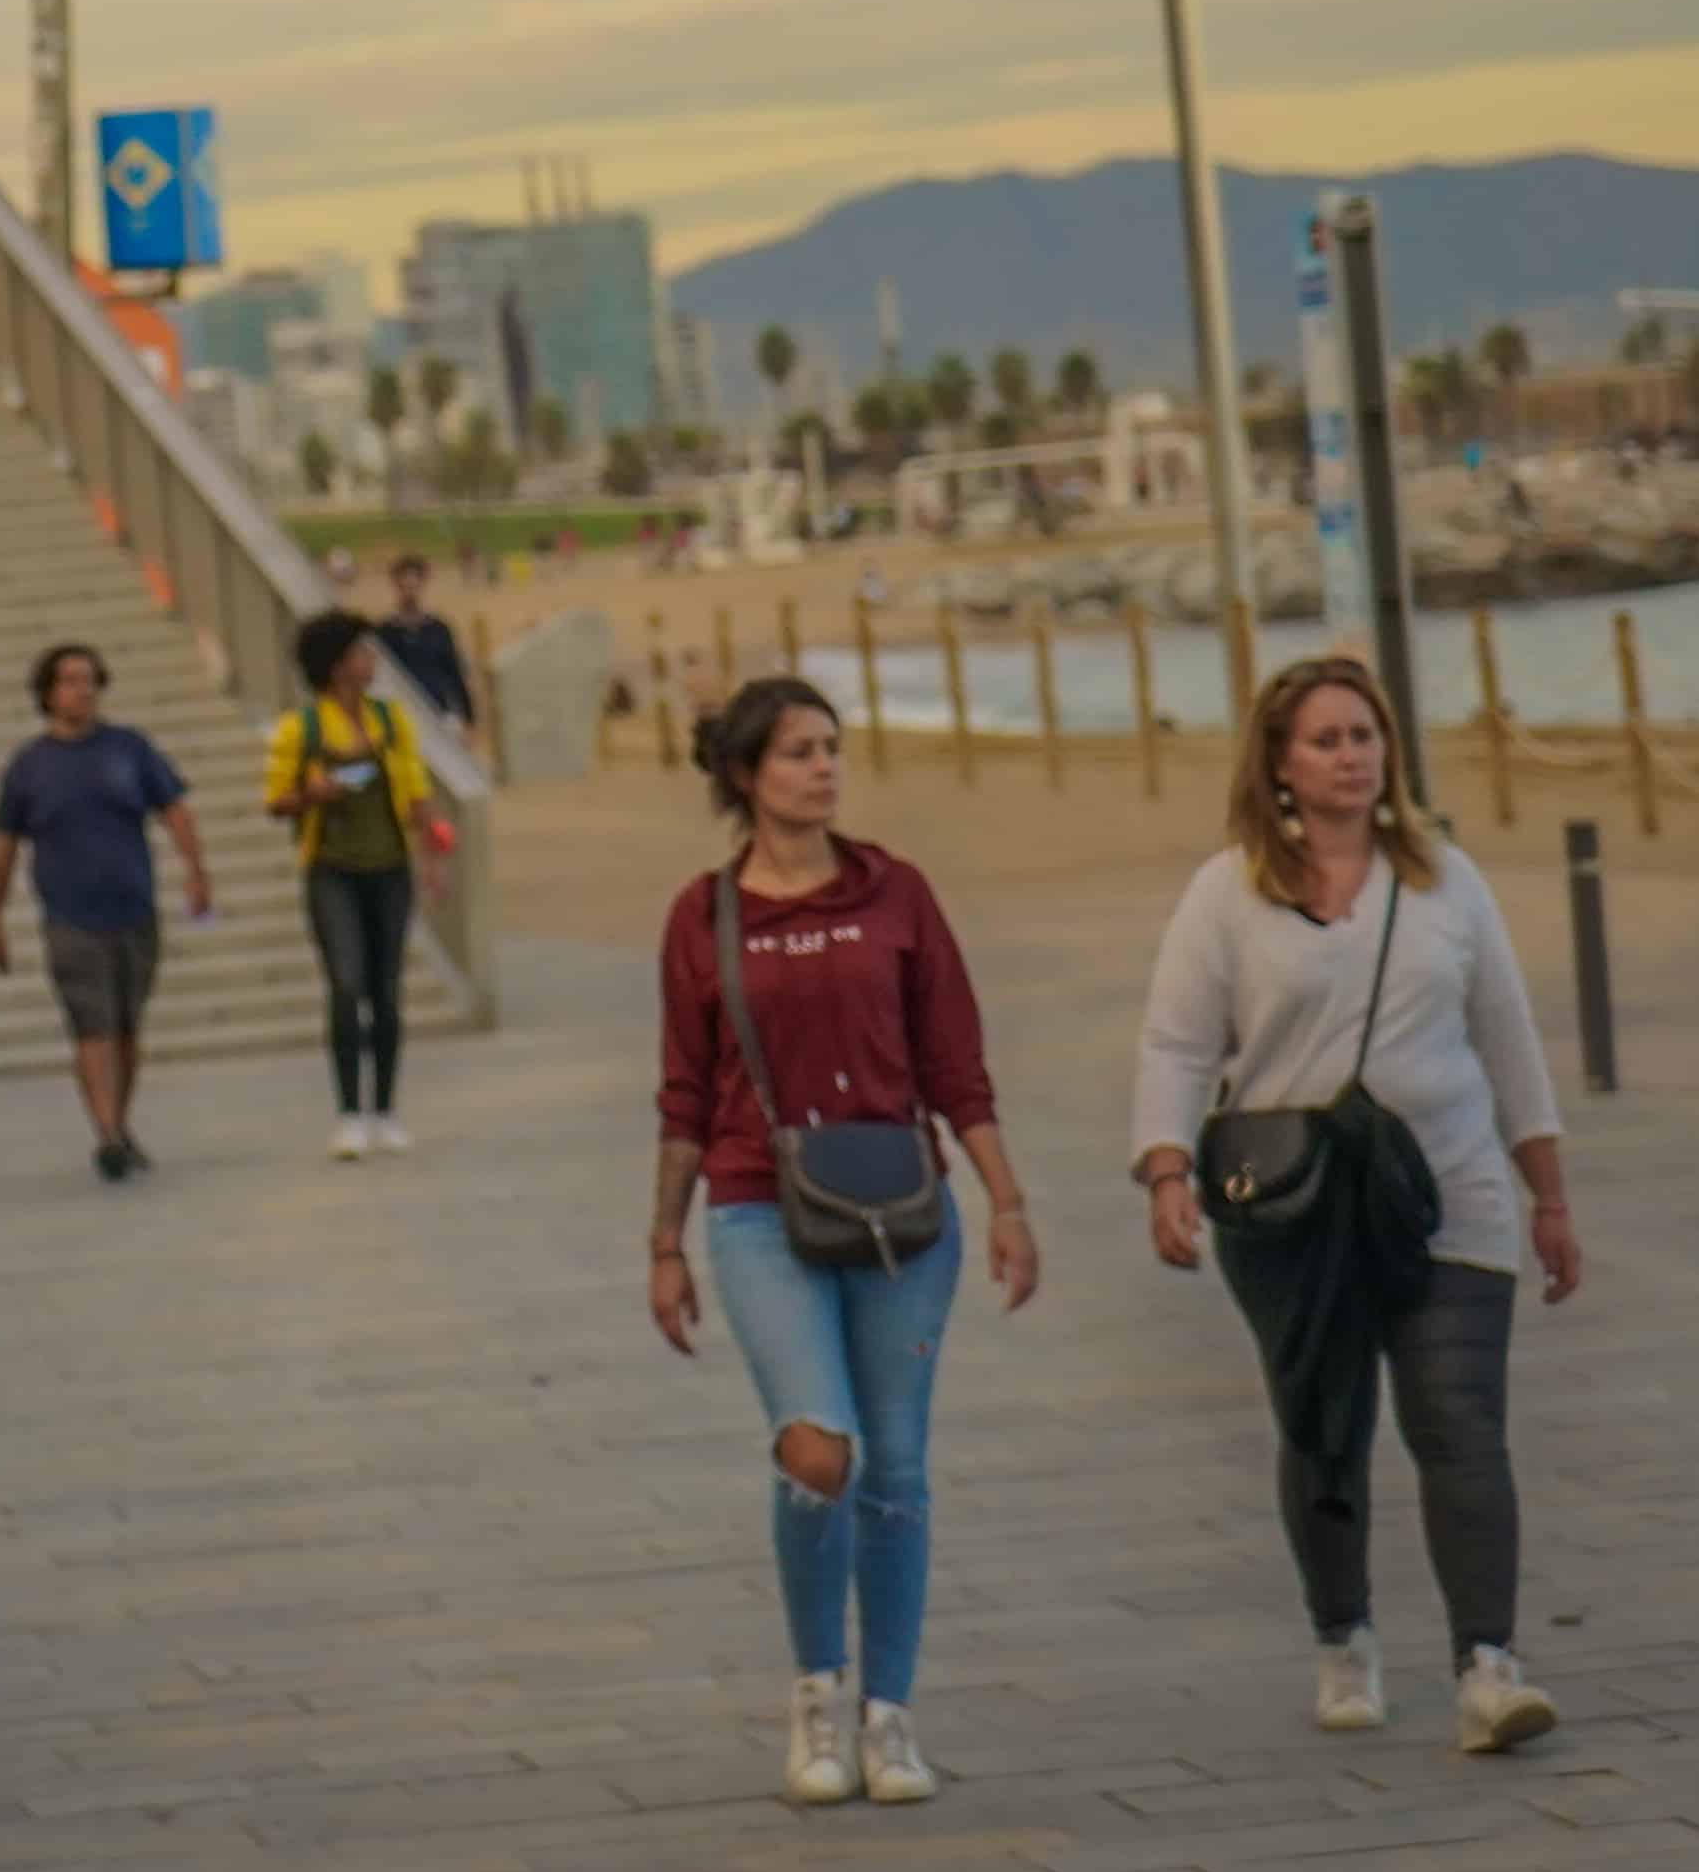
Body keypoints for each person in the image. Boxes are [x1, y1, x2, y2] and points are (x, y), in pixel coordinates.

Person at [1133, 657, 1575, 1757]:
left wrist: (1550, 1194)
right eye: (1326, 739)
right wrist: (1167, 1171)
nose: (1352, 756)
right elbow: (1179, 1045)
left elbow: (1508, 1039)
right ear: (1279, 764)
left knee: (1459, 1420)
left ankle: (1489, 1666)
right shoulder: (1226, 892)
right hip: (1291, 1207)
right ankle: (1345, 1636)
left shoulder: (1443, 882)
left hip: (1449, 1193)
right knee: (1324, 1427)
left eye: (1365, 736)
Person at [645, 677, 1036, 1813]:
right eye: (800, 751)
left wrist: (1006, 1199)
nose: (824, 768)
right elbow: (681, 1090)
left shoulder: (895, 892)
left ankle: (890, 1716)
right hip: (760, 1205)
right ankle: (817, 1691)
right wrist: (663, 1244)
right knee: (821, 1448)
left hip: (904, 1211)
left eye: (832, 748)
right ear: (746, 774)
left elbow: (956, 1062)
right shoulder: (703, 915)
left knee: (898, 1467)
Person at [0, 642, 215, 1181]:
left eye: (90, 680)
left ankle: (120, 1123)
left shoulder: (129, 749)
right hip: (69, 917)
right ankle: (107, 1134)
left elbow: (175, 810)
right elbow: (2, 849)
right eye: (69, 681)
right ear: (47, 692)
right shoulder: (28, 767)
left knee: (128, 1029)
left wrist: (196, 870)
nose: (82, 691)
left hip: (133, 910)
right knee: (93, 1025)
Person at [266, 609, 460, 1161]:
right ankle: (349, 1113)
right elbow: (275, 801)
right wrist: (312, 794)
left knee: (387, 991)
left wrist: (432, 859)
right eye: (361, 654)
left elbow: (417, 793)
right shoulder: (300, 730)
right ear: (335, 666)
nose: (371, 662)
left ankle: (386, 1110)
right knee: (347, 985)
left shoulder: (392, 722)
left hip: (389, 868)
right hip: (332, 870)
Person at [372, 550, 481, 760]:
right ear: (395, 585)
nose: (409, 592)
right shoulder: (384, 632)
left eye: (413, 586)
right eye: (403, 586)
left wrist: (468, 718)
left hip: (438, 713)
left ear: (422, 584)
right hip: (400, 717)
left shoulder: (439, 628)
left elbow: (454, 673)